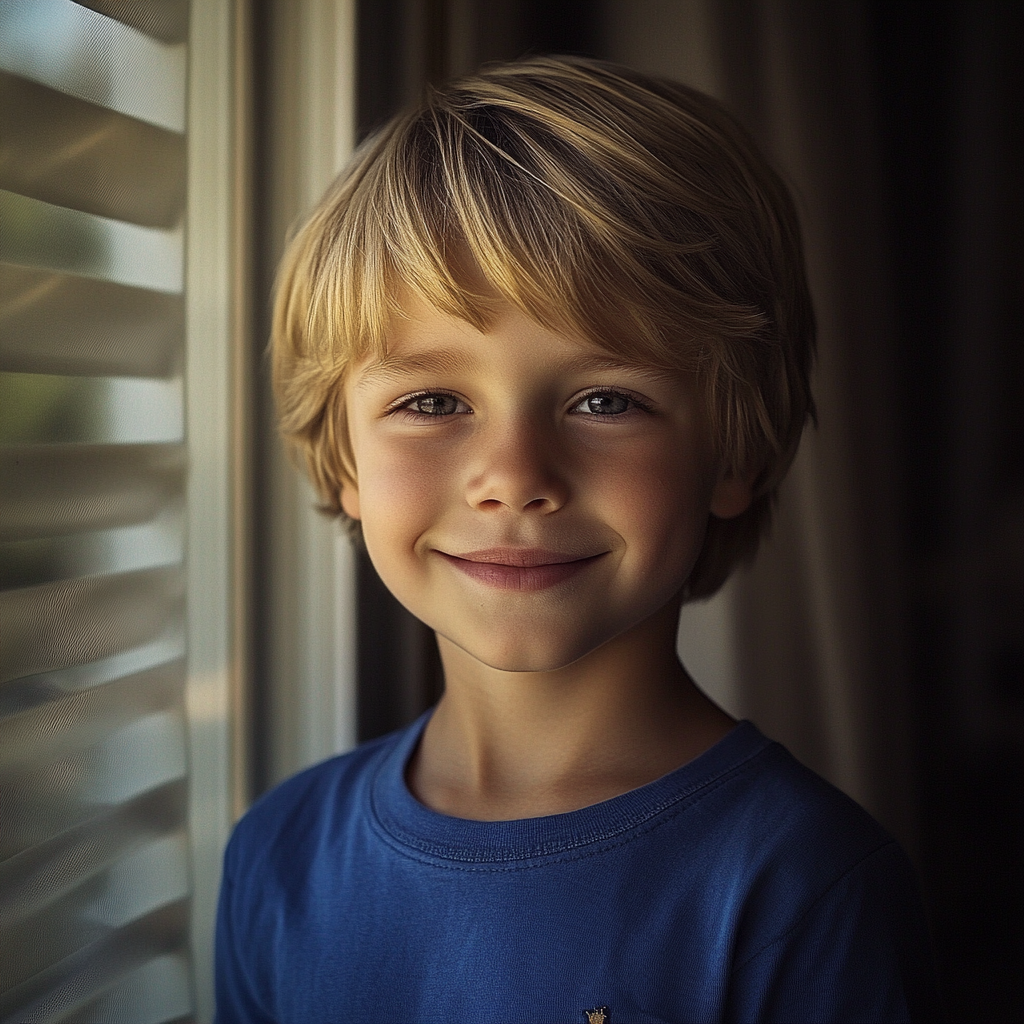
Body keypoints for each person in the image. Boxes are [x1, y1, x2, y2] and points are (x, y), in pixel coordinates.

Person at [215, 56, 939, 1023]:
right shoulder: (277, 854)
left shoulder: (804, 890)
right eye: (431, 401)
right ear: (344, 458)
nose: (514, 475)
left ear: (734, 452)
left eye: (607, 400)